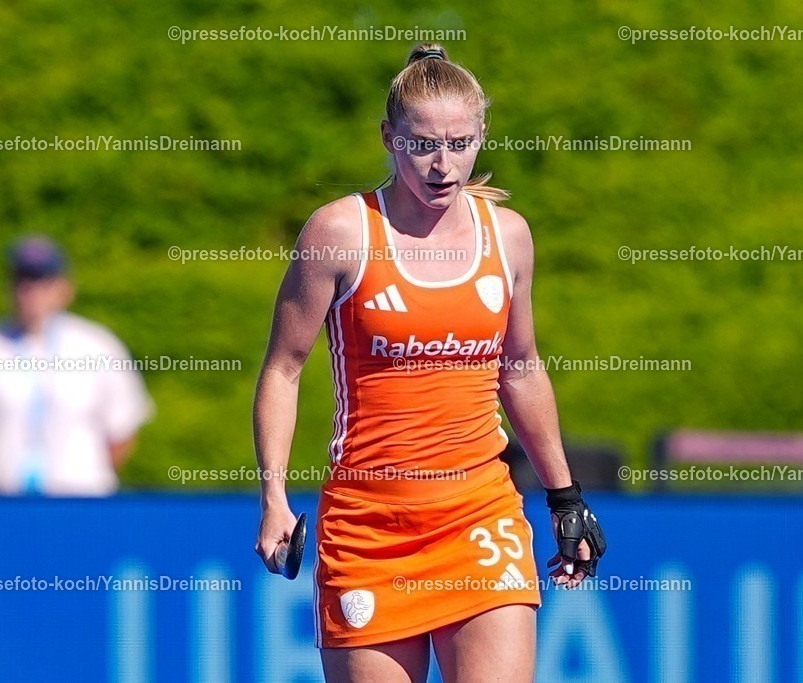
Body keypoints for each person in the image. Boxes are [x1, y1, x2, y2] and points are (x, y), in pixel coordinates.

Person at [253, 44, 606, 682]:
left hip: (480, 512)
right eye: (421, 146)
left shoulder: (509, 236)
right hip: (370, 527)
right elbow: (283, 368)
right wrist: (274, 496)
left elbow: (521, 368)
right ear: (389, 137)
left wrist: (566, 498)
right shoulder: (340, 233)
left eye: (460, 143)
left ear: (482, 135)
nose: (443, 166)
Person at [0, 236, 152, 496]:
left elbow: (122, 431)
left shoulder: (97, 346)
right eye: (22, 281)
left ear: (65, 288)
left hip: (77, 500)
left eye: (43, 282)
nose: (31, 292)